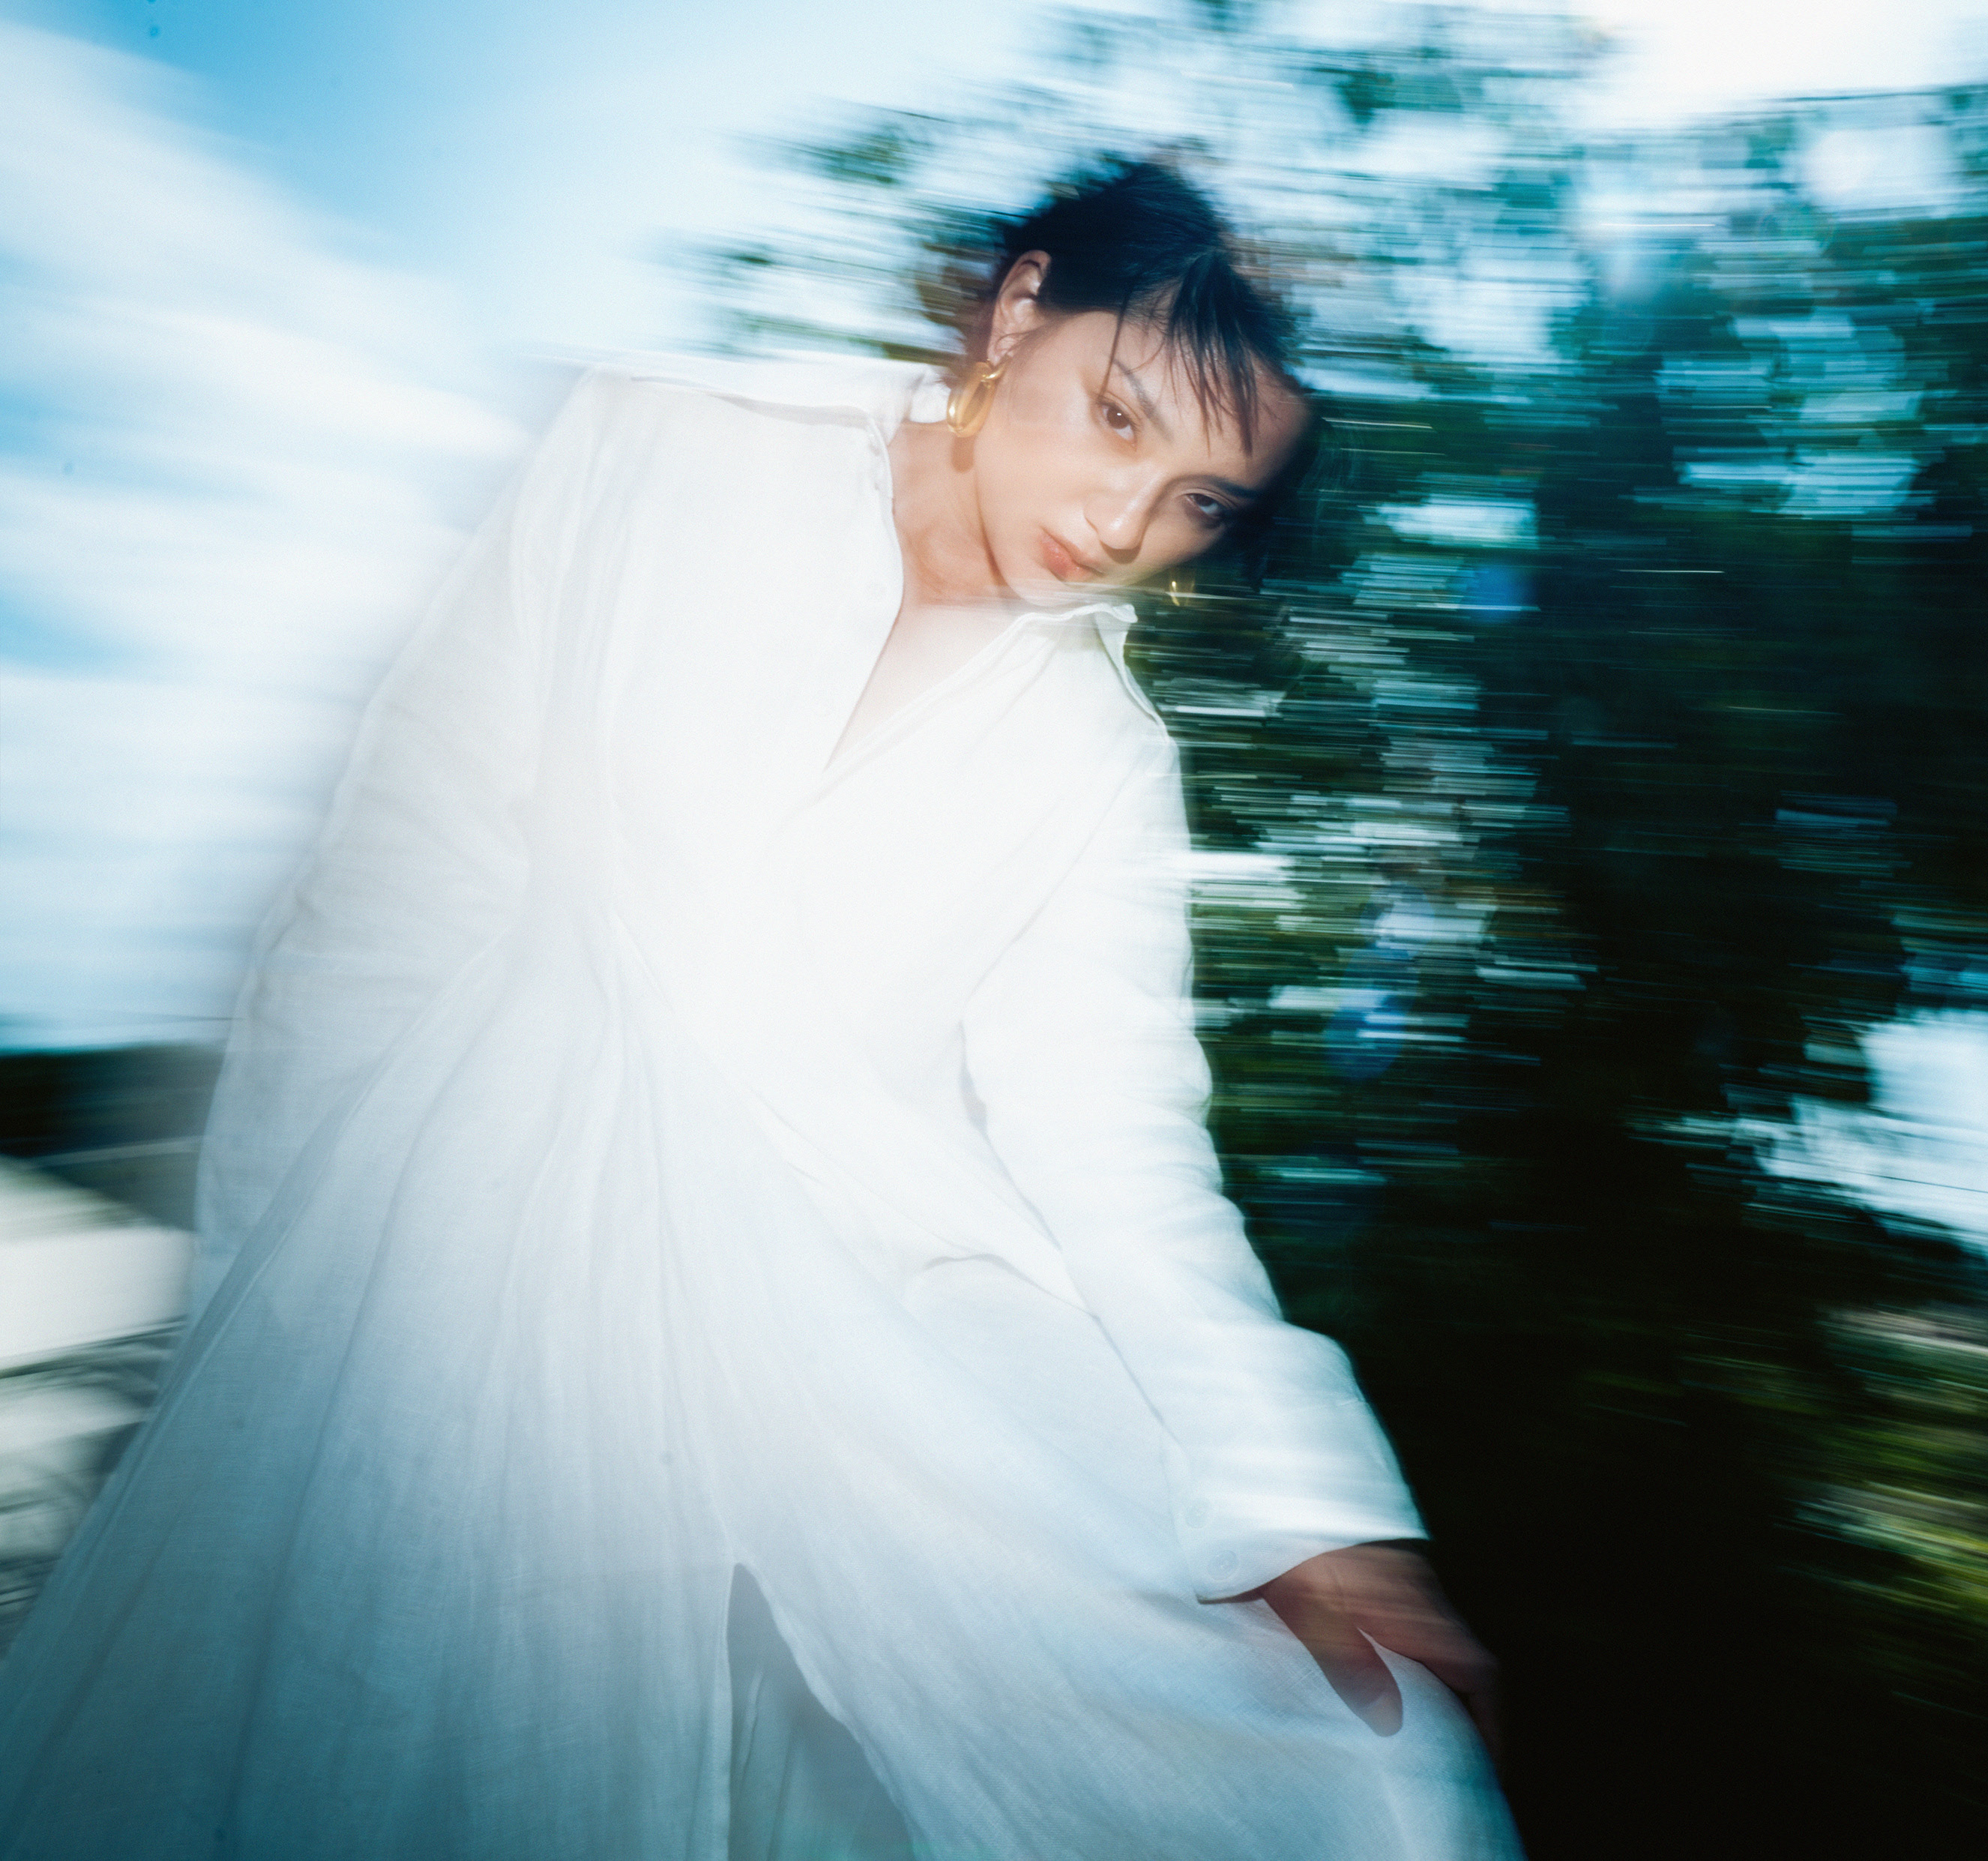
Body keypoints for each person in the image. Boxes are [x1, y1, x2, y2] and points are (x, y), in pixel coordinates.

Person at [0, 160, 1522, 1860]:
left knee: (1350, 1768)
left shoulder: (1102, 759)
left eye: (1196, 502)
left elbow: (1119, 1145)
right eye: (1116, 417)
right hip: (459, 1261)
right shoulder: (654, 447)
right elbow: (392, 883)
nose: (1121, 522)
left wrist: (1301, 1496)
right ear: (1018, 312)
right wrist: (267, 1289)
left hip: (847, 1336)